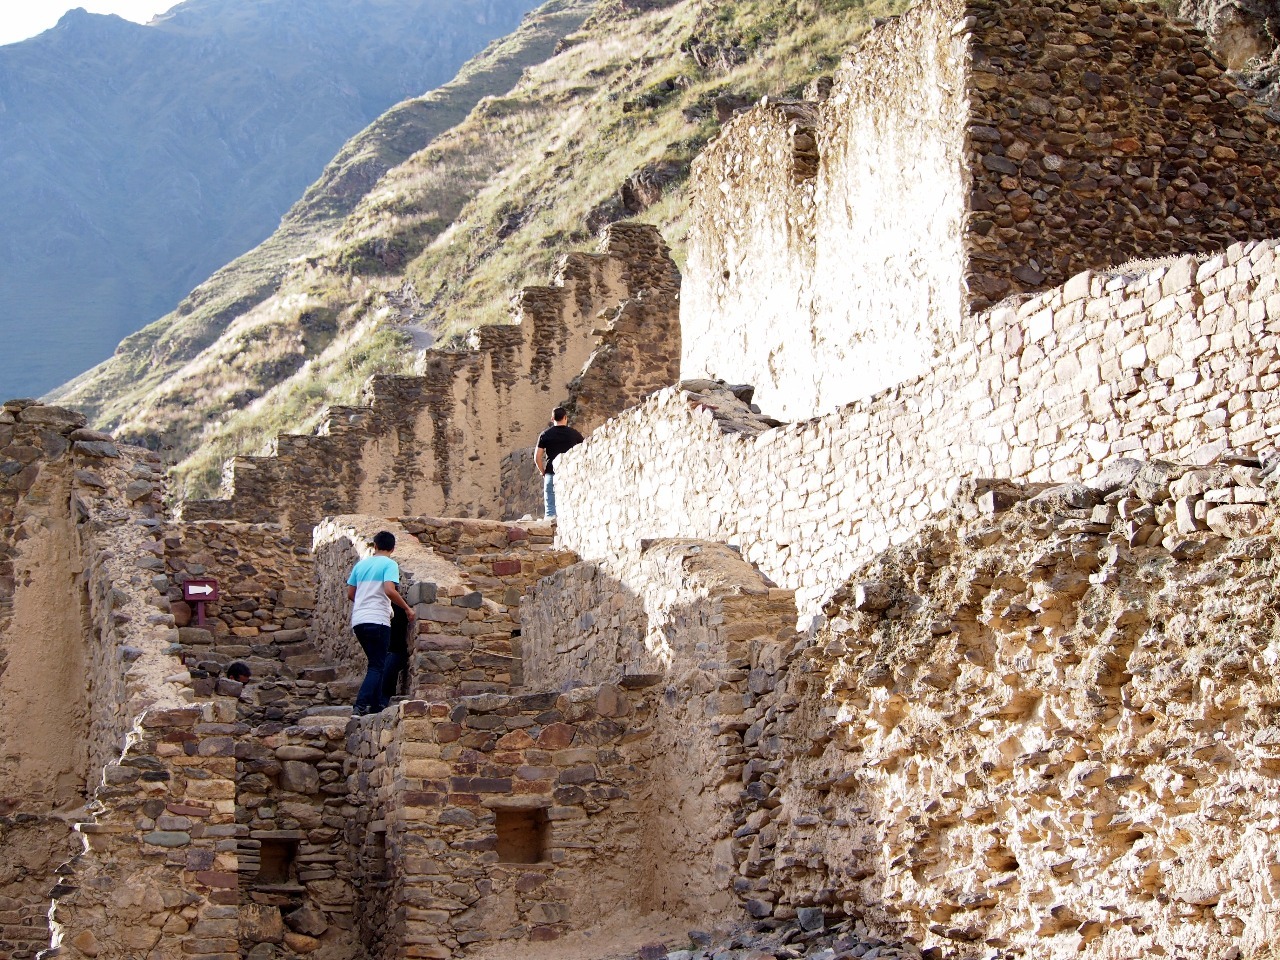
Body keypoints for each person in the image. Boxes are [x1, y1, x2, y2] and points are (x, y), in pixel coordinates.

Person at [346, 531, 416, 716]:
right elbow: (389, 590)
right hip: (378, 619)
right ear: (393, 548)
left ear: (375, 546)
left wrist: (365, 602)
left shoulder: (360, 565)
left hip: (359, 620)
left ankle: (377, 706)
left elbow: (351, 594)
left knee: (376, 663)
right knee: (377, 665)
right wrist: (407, 609)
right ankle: (360, 705)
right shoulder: (389, 564)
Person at [535, 406, 584, 520]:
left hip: (551, 472)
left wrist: (543, 472)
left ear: (552, 419)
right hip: (570, 473)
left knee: (550, 510)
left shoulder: (545, 434)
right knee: (571, 504)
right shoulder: (574, 434)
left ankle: (550, 528)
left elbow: (537, 457)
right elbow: (584, 450)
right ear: (565, 417)